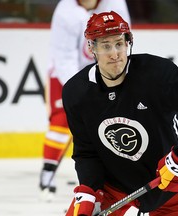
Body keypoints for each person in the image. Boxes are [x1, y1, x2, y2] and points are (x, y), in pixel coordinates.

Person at [62, 11, 178, 216]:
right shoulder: (77, 92)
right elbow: (87, 152)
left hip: (169, 186)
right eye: (106, 46)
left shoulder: (156, 75)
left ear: (128, 44)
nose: (115, 53)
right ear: (91, 48)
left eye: (119, 44)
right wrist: (89, 193)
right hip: (111, 189)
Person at [39, 0, 130, 201]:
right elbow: (63, 57)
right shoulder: (65, 11)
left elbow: (122, 41)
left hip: (103, 71)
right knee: (61, 120)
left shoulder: (115, 3)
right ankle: (47, 174)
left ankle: (110, 176)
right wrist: (83, 90)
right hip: (64, 74)